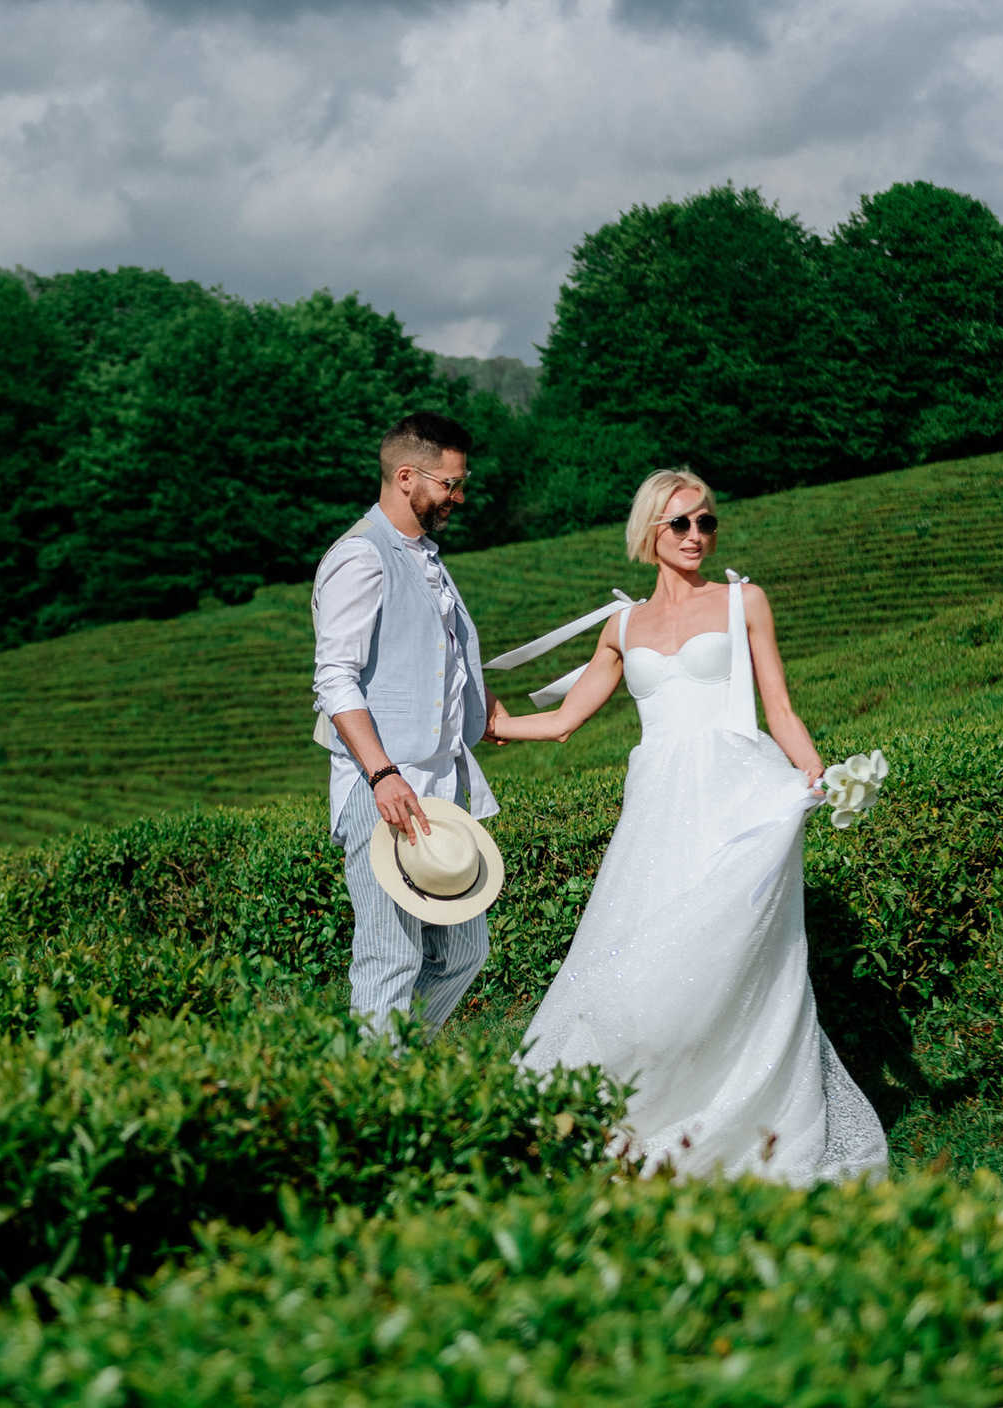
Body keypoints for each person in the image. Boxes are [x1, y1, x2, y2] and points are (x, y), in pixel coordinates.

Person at [485, 467, 887, 1184]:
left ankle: (741, 1120)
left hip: (737, 797)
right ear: (650, 533)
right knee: (642, 960)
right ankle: (634, 1109)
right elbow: (569, 718)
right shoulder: (622, 624)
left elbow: (781, 710)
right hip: (657, 811)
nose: (697, 535)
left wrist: (822, 777)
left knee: (727, 958)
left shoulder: (743, 600)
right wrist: (501, 725)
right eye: (682, 524)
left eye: (707, 522)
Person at [311, 411, 512, 1035]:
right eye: (450, 483)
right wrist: (382, 774)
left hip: (441, 791)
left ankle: (394, 1074)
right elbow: (334, 678)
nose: (459, 494)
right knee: (389, 956)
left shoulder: (426, 558)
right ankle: (374, 1104)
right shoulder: (360, 557)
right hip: (384, 789)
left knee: (463, 953)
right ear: (405, 476)